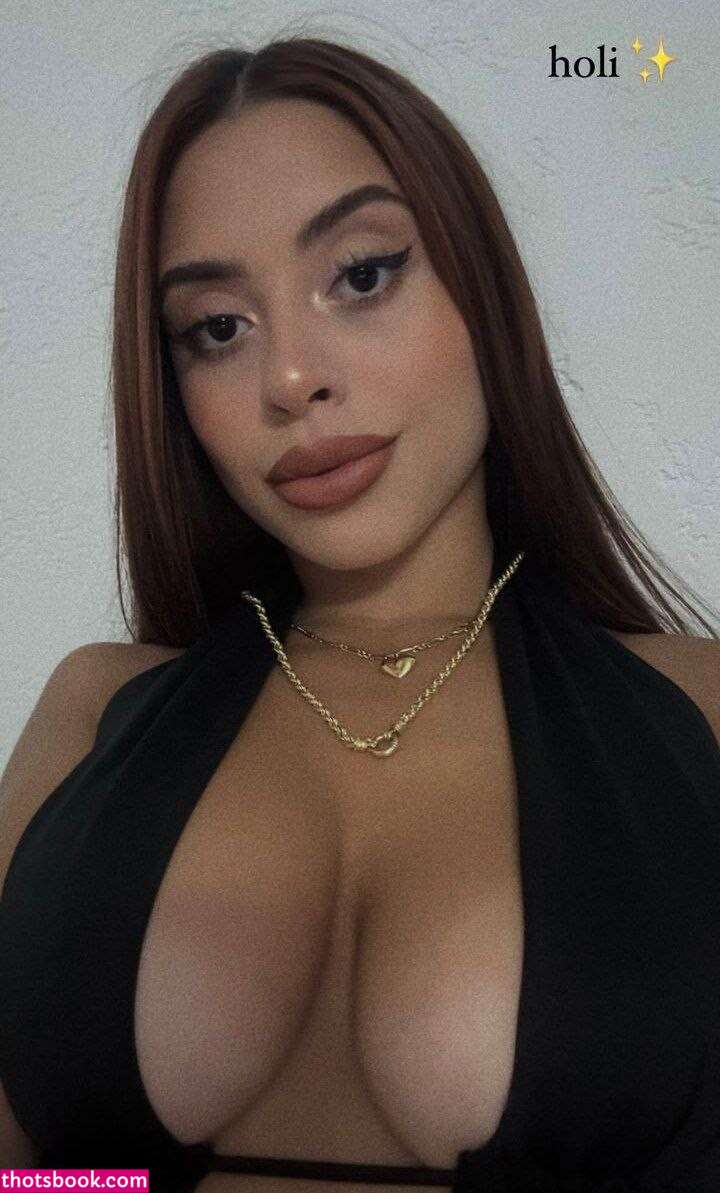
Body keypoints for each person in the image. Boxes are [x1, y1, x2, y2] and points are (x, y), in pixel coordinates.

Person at [1, 35, 719, 1193]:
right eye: (217, 327)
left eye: (364, 273)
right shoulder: (95, 713)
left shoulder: (700, 712)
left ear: (483, 288)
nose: (291, 377)